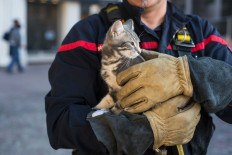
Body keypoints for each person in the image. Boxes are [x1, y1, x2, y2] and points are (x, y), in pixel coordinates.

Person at [45, 0, 232, 155]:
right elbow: (60, 125)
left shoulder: (202, 32)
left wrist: (194, 74)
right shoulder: (85, 34)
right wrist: (143, 130)